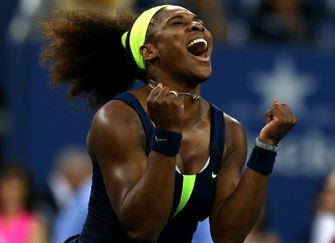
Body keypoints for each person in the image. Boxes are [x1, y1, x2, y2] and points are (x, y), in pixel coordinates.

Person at [40, 4, 297, 243]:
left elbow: (228, 236)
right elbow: (143, 227)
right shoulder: (118, 118)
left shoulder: (229, 132)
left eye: (199, 22)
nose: (198, 27)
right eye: (177, 23)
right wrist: (166, 136)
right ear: (150, 51)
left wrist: (266, 148)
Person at [0, 164, 48, 243]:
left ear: (25, 191)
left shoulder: (35, 225)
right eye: (4, 188)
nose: (9, 194)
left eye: (14, 189)